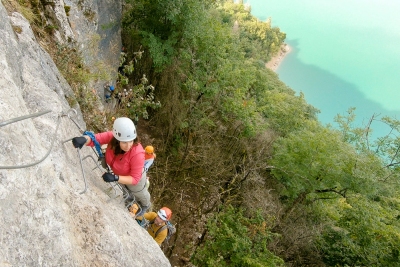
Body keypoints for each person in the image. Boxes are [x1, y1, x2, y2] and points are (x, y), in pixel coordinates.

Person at [71, 117, 151, 216]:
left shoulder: (137, 153)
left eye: (131, 141)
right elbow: (96, 139)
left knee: (139, 192)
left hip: (136, 178)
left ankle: (146, 205)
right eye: (125, 142)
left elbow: (134, 179)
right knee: (125, 190)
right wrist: (83, 139)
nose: (128, 145)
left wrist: (115, 178)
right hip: (120, 173)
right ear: (117, 139)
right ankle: (129, 199)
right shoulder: (112, 137)